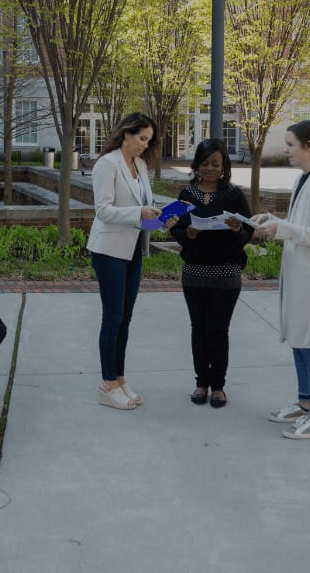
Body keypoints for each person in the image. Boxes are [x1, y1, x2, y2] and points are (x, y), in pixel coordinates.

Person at [250, 120, 310, 440]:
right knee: (298, 341)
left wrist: (283, 229)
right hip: (299, 275)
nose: (286, 150)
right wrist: (274, 222)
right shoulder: (304, 178)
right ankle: (305, 403)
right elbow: (301, 223)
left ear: (309, 146)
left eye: (290, 145)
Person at [87, 112, 178, 410]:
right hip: (108, 249)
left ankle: (120, 379)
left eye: (148, 141)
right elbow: (104, 210)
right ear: (126, 134)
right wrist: (140, 213)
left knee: (125, 318)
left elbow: (144, 210)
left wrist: (162, 221)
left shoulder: (140, 165)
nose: (144, 145)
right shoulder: (107, 164)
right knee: (112, 317)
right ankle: (106, 384)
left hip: (133, 250)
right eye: (141, 138)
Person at [169, 138, 253, 409]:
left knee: (218, 330)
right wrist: (188, 233)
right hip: (194, 271)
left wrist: (238, 229)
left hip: (226, 273)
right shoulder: (186, 195)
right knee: (198, 329)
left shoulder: (234, 195)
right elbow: (174, 229)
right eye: (205, 163)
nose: (210, 169)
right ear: (196, 165)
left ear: (224, 165)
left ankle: (218, 386)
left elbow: (248, 232)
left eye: (216, 164)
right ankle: (200, 383)